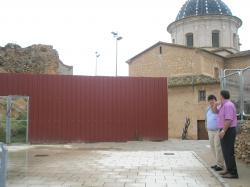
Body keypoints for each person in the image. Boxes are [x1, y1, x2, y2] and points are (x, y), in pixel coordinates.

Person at [214, 90, 238, 179]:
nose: (219, 97)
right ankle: (228, 169)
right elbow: (216, 112)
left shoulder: (228, 105)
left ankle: (233, 173)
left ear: (222, 96)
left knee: (229, 152)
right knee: (225, 151)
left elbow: (229, 119)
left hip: (228, 130)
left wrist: (223, 131)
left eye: (219, 96)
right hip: (225, 129)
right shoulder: (223, 105)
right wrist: (215, 105)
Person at [206, 95, 224, 171]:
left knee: (218, 147)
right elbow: (206, 118)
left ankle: (220, 165)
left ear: (215, 100)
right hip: (210, 130)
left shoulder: (219, 107)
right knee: (212, 147)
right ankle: (217, 163)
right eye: (209, 100)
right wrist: (206, 126)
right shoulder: (208, 109)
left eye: (212, 100)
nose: (211, 101)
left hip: (217, 130)